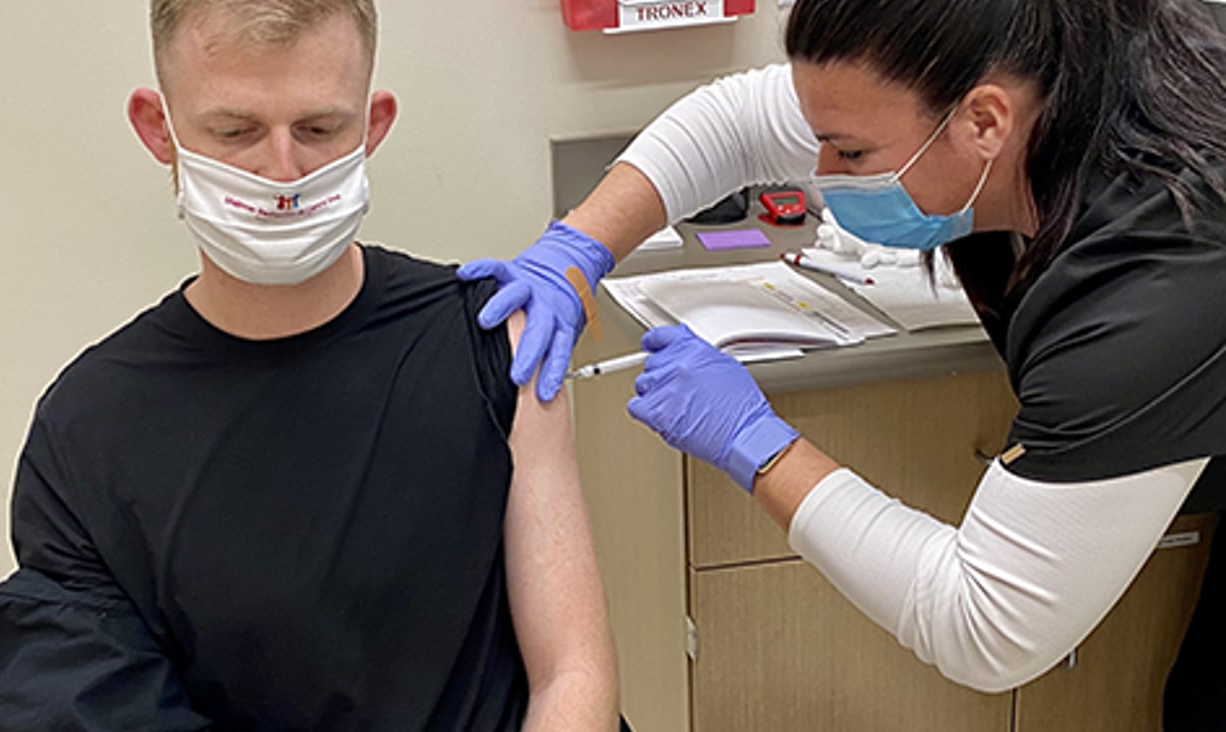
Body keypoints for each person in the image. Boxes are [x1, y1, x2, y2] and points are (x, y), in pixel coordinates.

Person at [460, 0, 1226, 726]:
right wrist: (580, 245)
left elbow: (987, 628)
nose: (821, 173)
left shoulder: (1155, 277)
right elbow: (740, 124)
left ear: (985, 120)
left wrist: (759, 445)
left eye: (850, 153)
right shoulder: (1042, 62)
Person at [0, 1, 621, 730]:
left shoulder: (491, 337)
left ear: (373, 125)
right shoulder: (87, 430)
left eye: (320, 129)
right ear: (160, 129)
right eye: (235, 132)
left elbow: (572, 675)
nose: (282, 174)